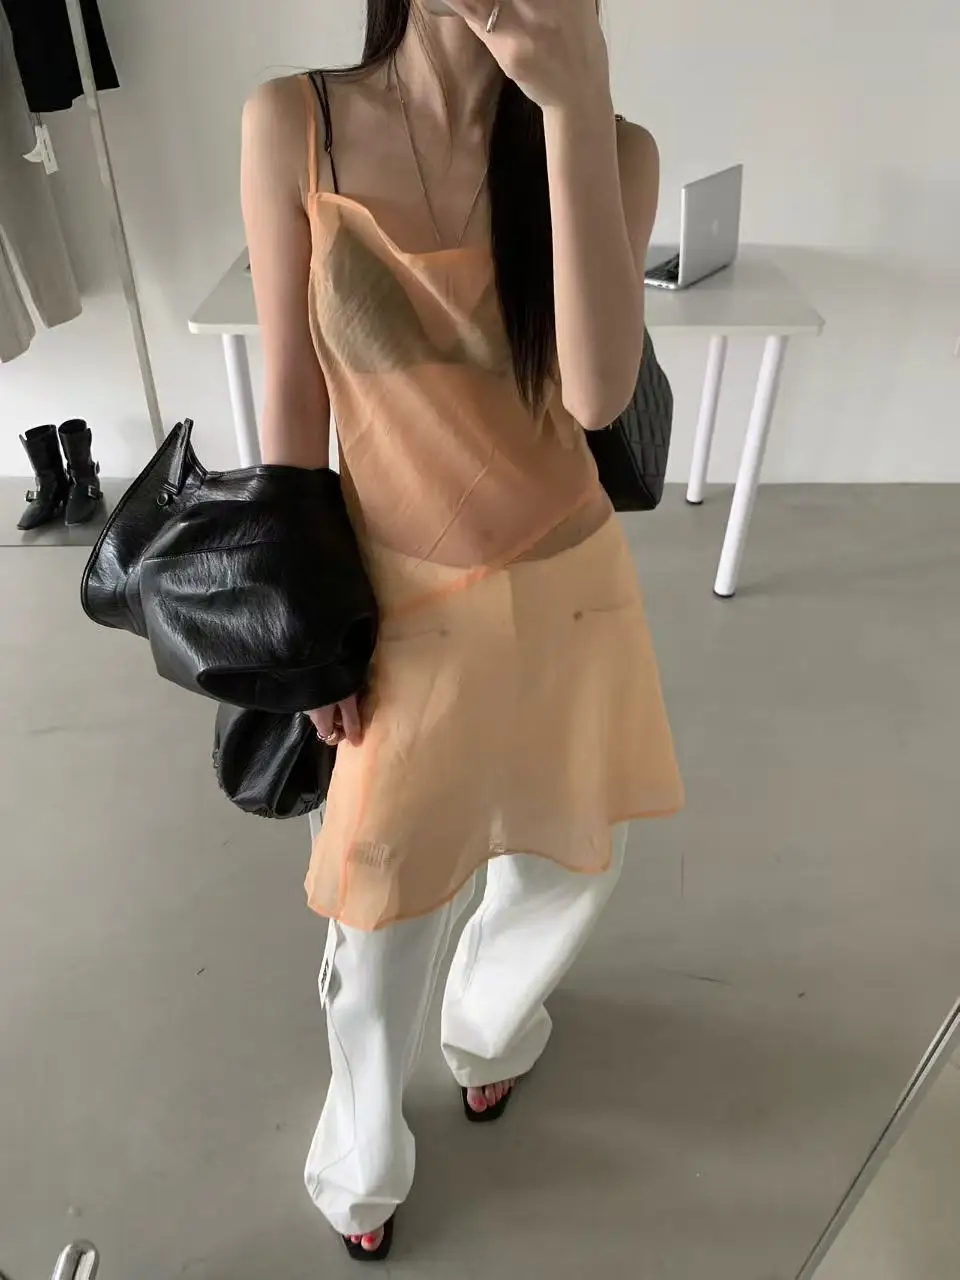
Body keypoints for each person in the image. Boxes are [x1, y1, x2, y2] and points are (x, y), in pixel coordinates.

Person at [241, 0, 683, 1261]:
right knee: (378, 908)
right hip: (399, 609)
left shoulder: (611, 143)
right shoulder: (294, 123)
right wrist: (309, 627)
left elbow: (596, 392)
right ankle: (362, 1156)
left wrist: (574, 98)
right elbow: (291, 400)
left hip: (570, 589)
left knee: (563, 864)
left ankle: (492, 1026)